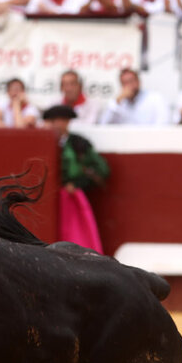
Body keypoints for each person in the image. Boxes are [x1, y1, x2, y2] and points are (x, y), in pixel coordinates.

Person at [43, 104, 110, 255]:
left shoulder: (78, 144)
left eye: (58, 120)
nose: (54, 124)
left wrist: (78, 183)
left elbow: (101, 169)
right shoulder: (43, 142)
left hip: (71, 196)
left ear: (67, 122)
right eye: (51, 121)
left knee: (76, 236)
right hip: (48, 198)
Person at [98, 67, 169, 126]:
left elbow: (163, 124)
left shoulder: (155, 99)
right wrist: (117, 102)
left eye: (131, 81)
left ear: (138, 82)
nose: (129, 85)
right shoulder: (119, 103)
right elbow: (104, 124)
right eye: (125, 83)